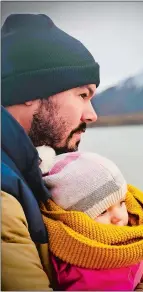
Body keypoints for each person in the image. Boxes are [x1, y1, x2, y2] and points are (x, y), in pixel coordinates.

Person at [1, 13, 99, 291]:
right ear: (29, 92)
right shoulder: (3, 195)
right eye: (83, 95)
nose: (92, 115)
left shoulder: (17, 171)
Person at [38, 146, 143, 291]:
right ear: (74, 220)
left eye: (121, 203)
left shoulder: (136, 239)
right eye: (102, 212)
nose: (118, 217)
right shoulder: (75, 259)